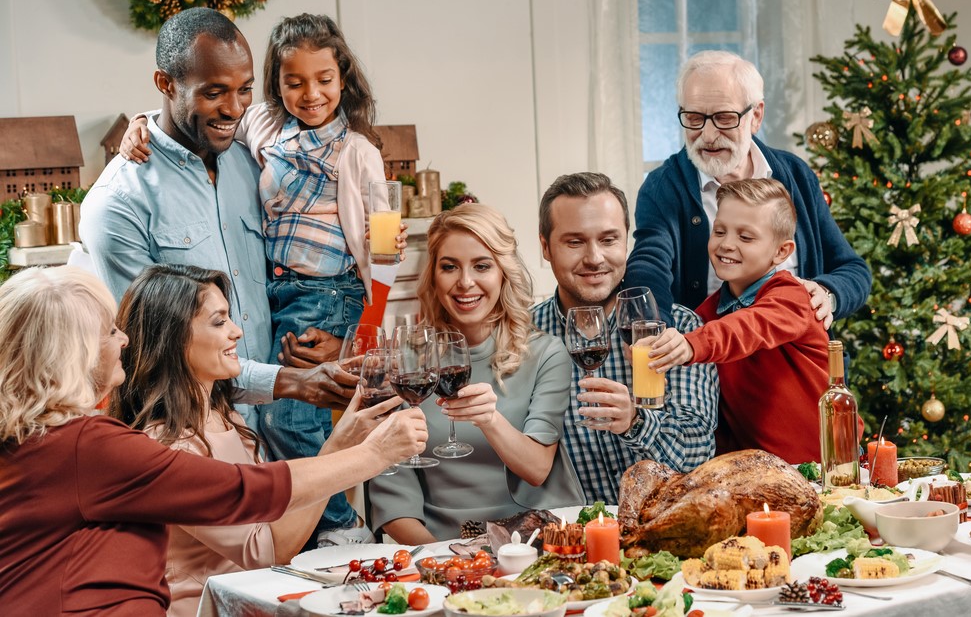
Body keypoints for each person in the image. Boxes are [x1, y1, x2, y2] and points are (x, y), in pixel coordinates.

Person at [82, 8, 377, 545]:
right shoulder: (119, 202)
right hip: (200, 448)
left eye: (244, 90)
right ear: (165, 84)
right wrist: (287, 383)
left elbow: (321, 248)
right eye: (215, 92)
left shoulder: (250, 154)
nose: (235, 108)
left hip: (290, 435)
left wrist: (338, 336)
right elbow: (156, 349)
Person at [0, 266, 427, 617]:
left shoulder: (41, 439)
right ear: (74, 354)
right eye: (110, 333)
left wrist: (344, 445)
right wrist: (373, 453)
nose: (125, 340)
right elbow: (244, 495)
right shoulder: (89, 445)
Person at [108, 264, 405, 617]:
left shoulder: (223, 415)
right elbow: (265, 548)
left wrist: (344, 440)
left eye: (230, 318)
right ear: (173, 339)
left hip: (253, 600)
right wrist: (364, 454)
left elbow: (271, 517)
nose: (236, 332)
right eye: (219, 322)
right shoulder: (166, 445)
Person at [368, 204, 585, 543]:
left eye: (482, 266)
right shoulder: (405, 364)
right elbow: (394, 502)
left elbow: (537, 469)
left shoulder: (545, 353)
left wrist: (490, 419)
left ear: (503, 272)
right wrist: (450, 563)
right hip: (440, 545)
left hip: (534, 538)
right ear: (434, 276)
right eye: (449, 267)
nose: (465, 283)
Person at [625, 50, 871, 330]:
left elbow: (853, 271)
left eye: (724, 118)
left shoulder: (796, 175)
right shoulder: (663, 187)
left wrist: (828, 294)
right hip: (712, 366)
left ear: (756, 116)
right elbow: (649, 265)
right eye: (694, 118)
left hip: (796, 359)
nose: (707, 135)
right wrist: (652, 330)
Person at [531, 173, 718, 504]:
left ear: (626, 242)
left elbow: (698, 455)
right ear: (545, 247)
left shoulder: (679, 329)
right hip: (575, 537)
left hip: (667, 533)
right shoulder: (525, 337)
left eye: (608, 240)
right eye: (574, 242)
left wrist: (634, 421)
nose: (594, 258)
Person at [646, 179, 828, 463]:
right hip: (757, 474)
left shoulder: (791, 297)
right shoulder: (705, 316)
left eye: (746, 237)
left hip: (826, 466)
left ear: (781, 251)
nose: (726, 244)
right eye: (719, 231)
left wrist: (692, 344)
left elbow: (751, 327)